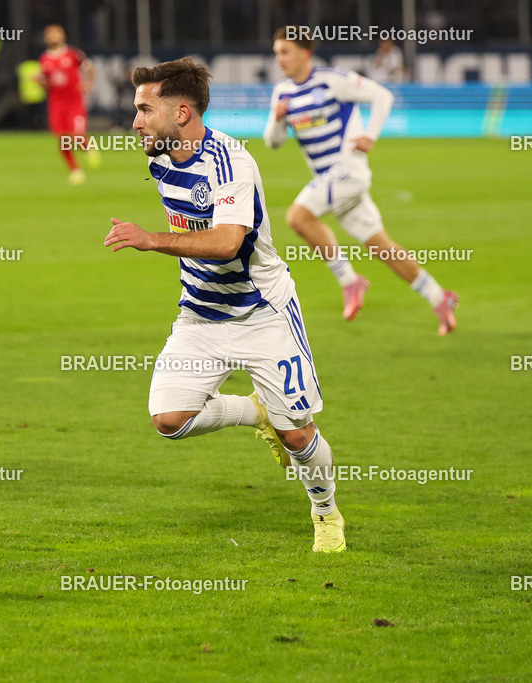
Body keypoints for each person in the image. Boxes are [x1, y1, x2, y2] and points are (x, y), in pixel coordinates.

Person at [104, 57, 345, 553]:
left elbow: (229, 243)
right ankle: (252, 412)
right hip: (200, 314)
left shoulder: (232, 163)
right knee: (169, 419)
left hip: (263, 313)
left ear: (184, 113)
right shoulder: (160, 156)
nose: (135, 122)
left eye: (146, 110)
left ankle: (325, 514)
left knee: (298, 437)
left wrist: (151, 240)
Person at [265, 27, 457, 335]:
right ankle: (440, 298)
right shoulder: (282, 93)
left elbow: (382, 95)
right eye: (277, 53)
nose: (280, 59)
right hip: (328, 179)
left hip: (347, 171)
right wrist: (277, 119)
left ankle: (350, 280)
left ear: (305, 52)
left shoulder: (333, 80)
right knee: (382, 247)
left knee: (297, 217)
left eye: (285, 52)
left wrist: (371, 135)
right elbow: (273, 143)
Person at [38, 24, 98, 185]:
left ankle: (88, 148)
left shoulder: (73, 54)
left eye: (56, 34)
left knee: (77, 135)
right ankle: (75, 170)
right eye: (49, 34)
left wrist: (88, 83)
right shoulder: (44, 59)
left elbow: (90, 67)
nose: (53, 37)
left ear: (63, 36)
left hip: (74, 101)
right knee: (62, 138)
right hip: (56, 104)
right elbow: (46, 84)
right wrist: (39, 81)